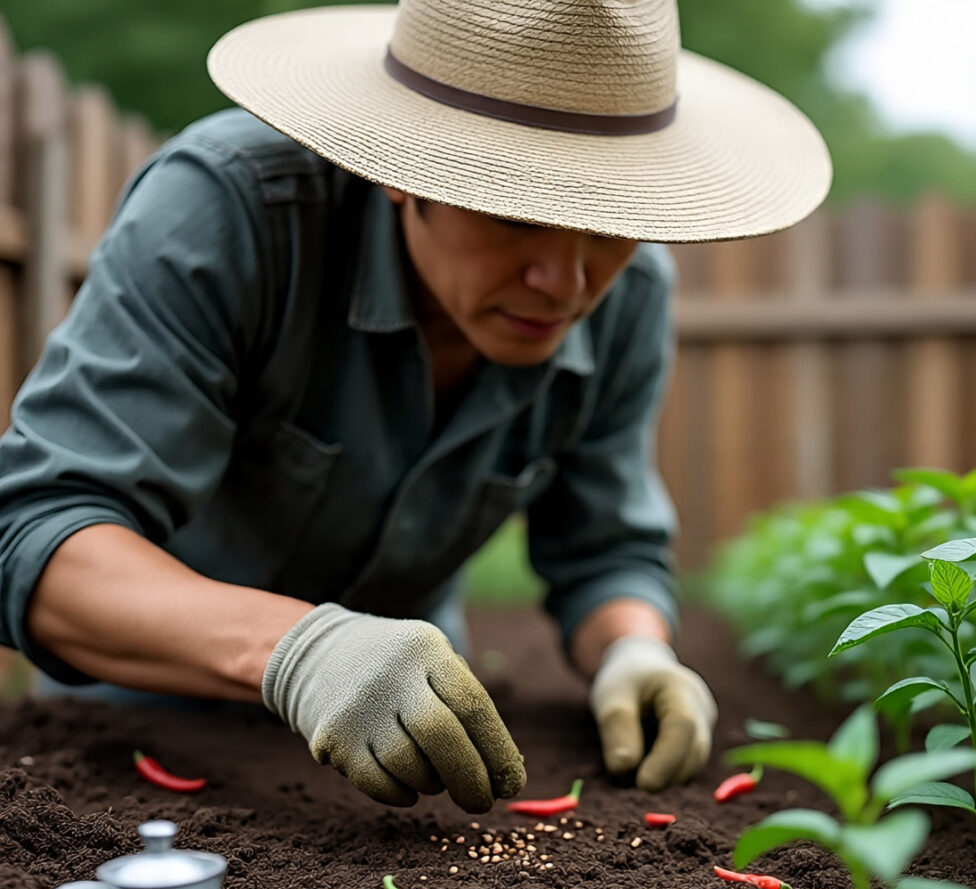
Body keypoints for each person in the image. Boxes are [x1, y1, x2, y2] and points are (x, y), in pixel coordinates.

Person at [0, 0, 830, 814]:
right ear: (399, 172)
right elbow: (34, 536)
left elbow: (603, 547)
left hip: (415, 757)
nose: (568, 282)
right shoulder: (230, 213)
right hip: (138, 739)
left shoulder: (631, 296)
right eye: (516, 214)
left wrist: (634, 651)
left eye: (609, 222)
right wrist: (303, 653)